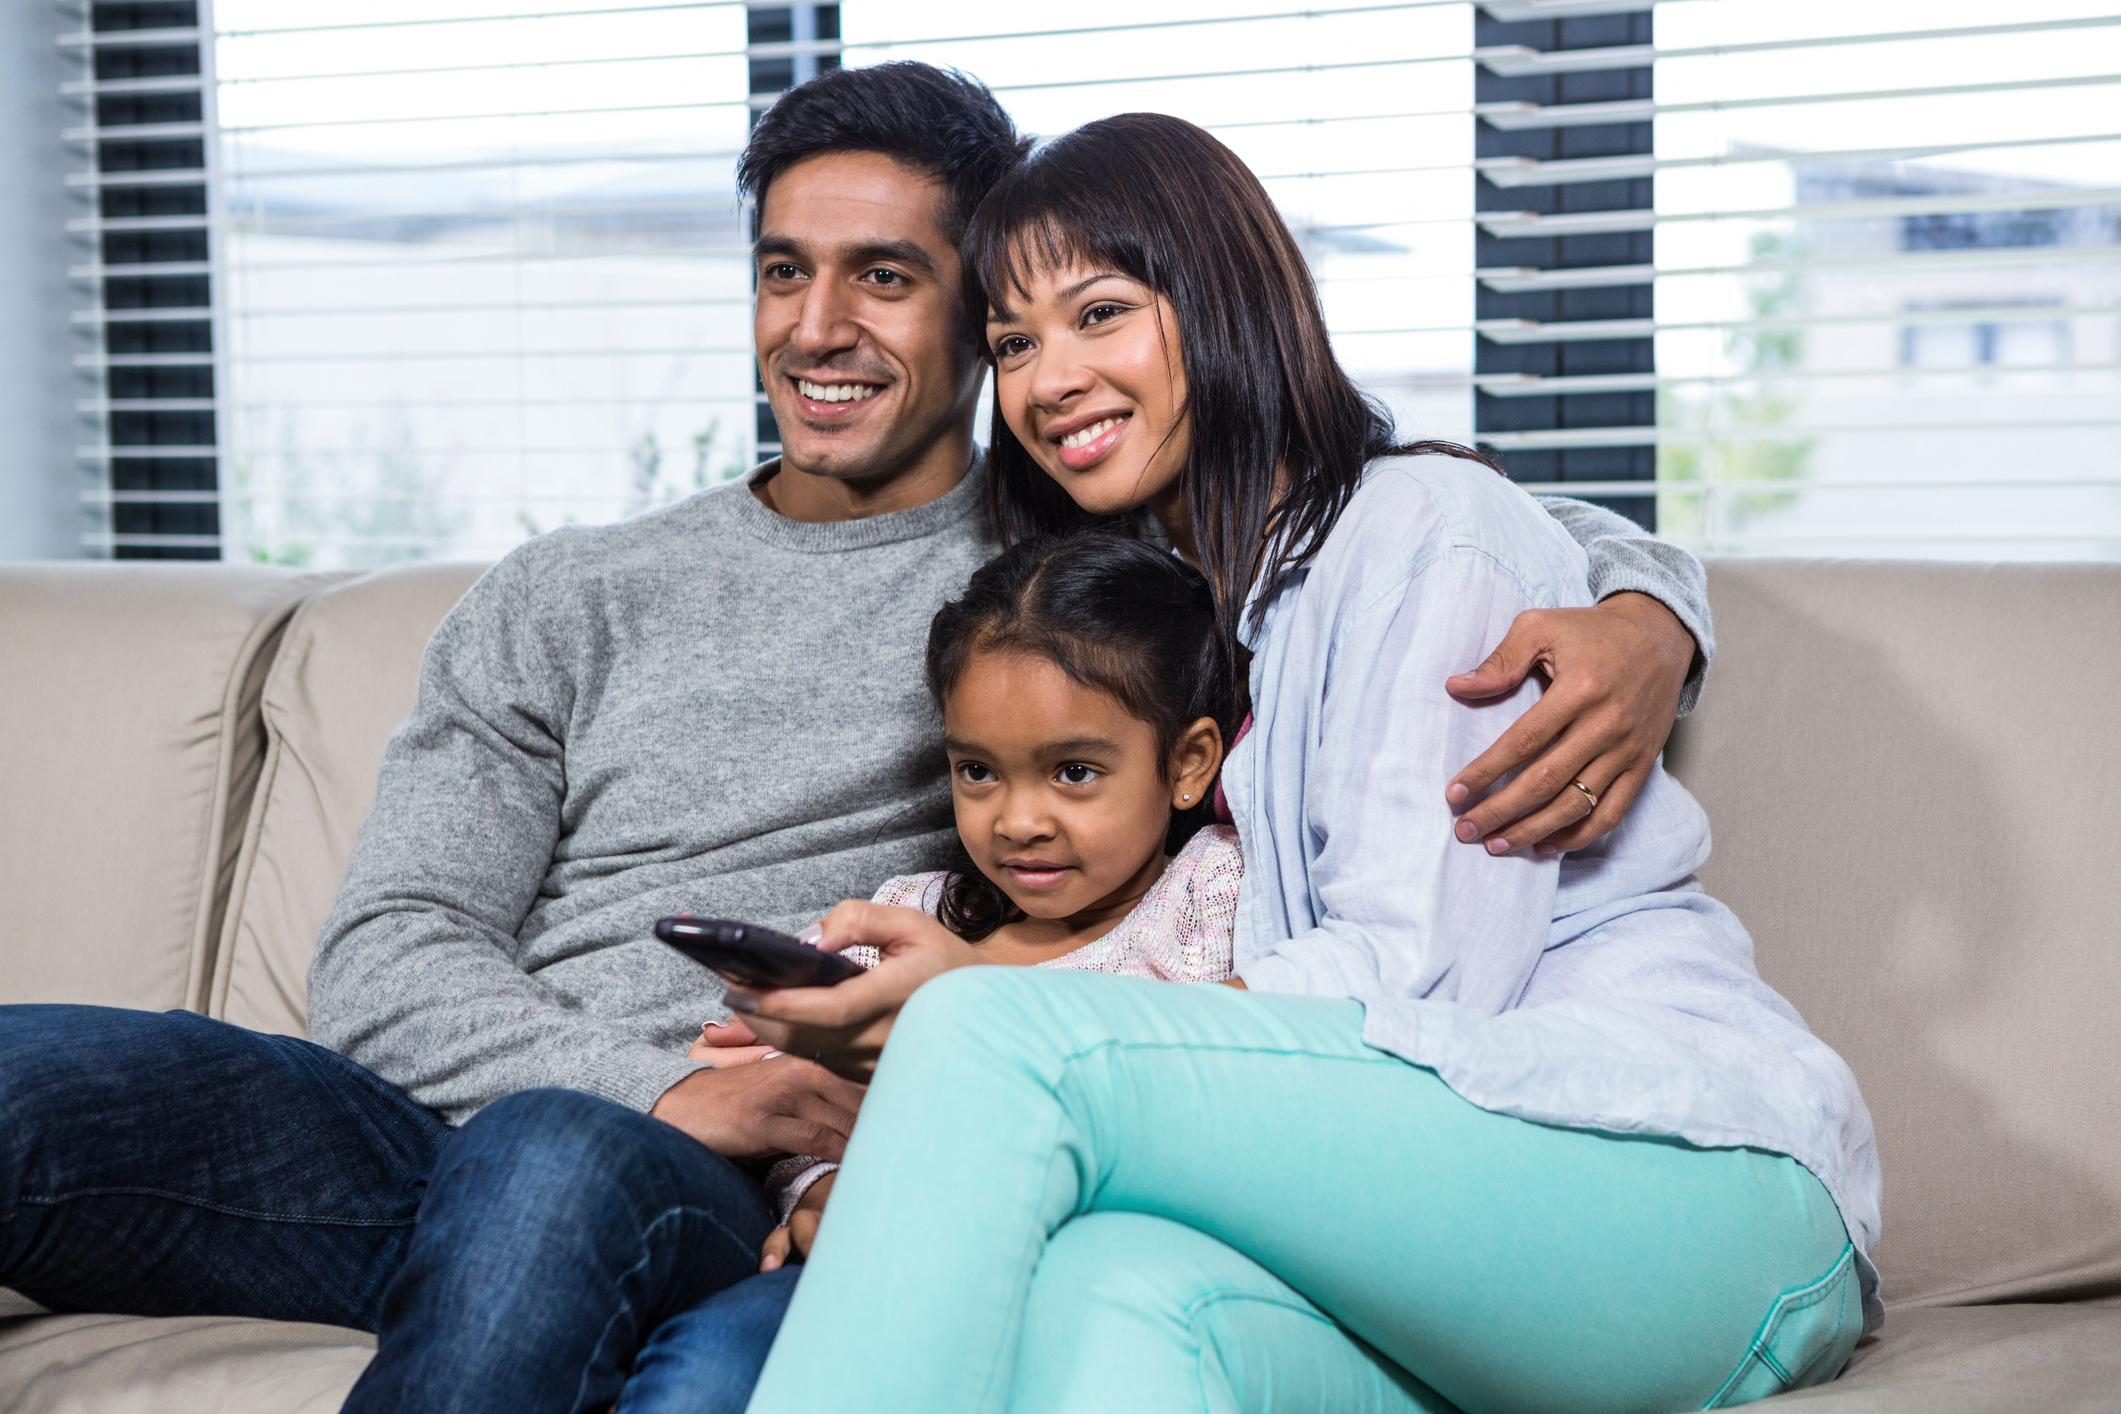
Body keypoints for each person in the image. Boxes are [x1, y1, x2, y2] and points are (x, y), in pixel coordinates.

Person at [0, 67, 1712, 1414]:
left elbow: (1371, 503)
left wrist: (1647, 613)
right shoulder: (561, 594)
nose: (818, 327)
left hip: (744, 1162)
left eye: (887, 278)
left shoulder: (1076, 567)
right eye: (784, 272)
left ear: (977, 318)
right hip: (464, 1128)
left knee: (550, 1168)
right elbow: (388, 954)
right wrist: (679, 1085)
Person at [733, 112, 1882, 1414]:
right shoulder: (1172, 610)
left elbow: (1412, 982)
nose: (1048, 380)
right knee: (1112, 1302)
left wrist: (986, 987)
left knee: (990, 1040)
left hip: (1690, 1179)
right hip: (1446, 1245)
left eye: (1100, 314)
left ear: (1225, 297)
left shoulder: (1424, 531)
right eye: (1013, 342)